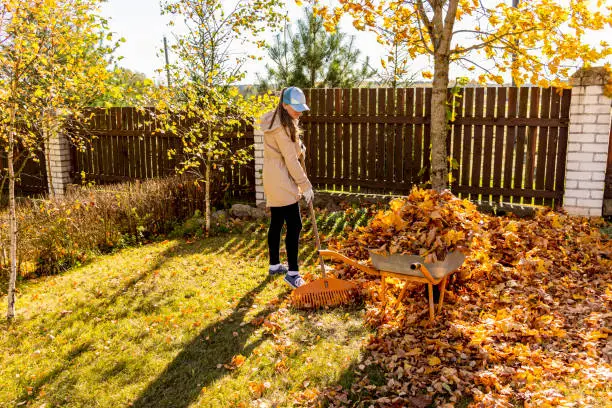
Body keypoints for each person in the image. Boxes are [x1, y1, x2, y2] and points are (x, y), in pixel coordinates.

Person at [260, 86, 314, 289]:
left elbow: (287, 150)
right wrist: (305, 185)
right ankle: (293, 274)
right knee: (295, 225)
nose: (299, 112)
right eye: (296, 108)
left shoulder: (279, 120)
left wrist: (298, 147)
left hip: (274, 177)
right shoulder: (281, 127)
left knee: (277, 222)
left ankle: (274, 265)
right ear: (284, 105)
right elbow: (290, 161)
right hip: (282, 179)